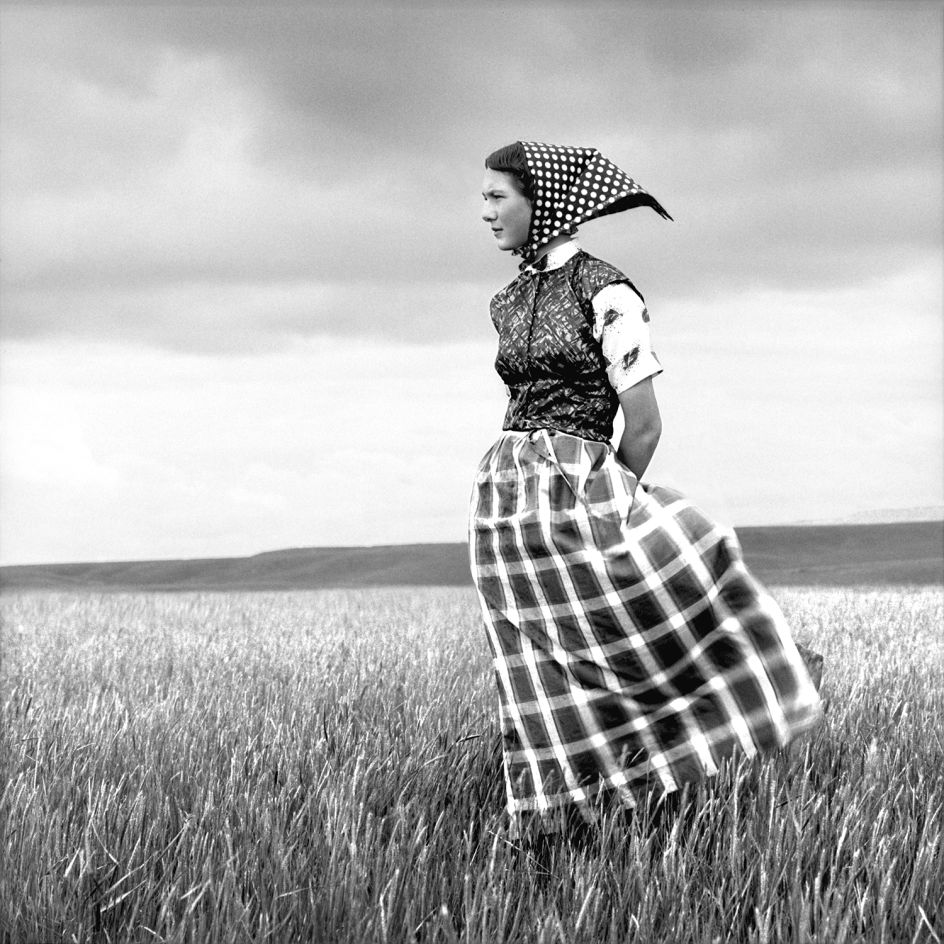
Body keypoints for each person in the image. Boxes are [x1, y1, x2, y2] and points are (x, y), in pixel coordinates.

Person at [469, 141, 823, 838]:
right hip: (504, 503)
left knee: (618, 639)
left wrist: (608, 499)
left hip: (579, 485)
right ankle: (550, 818)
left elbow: (645, 422)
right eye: (483, 197)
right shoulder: (504, 301)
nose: (485, 211)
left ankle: (719, 710)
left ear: (544, 201)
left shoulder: (608, 292)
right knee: (532, 669)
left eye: (497, 196)